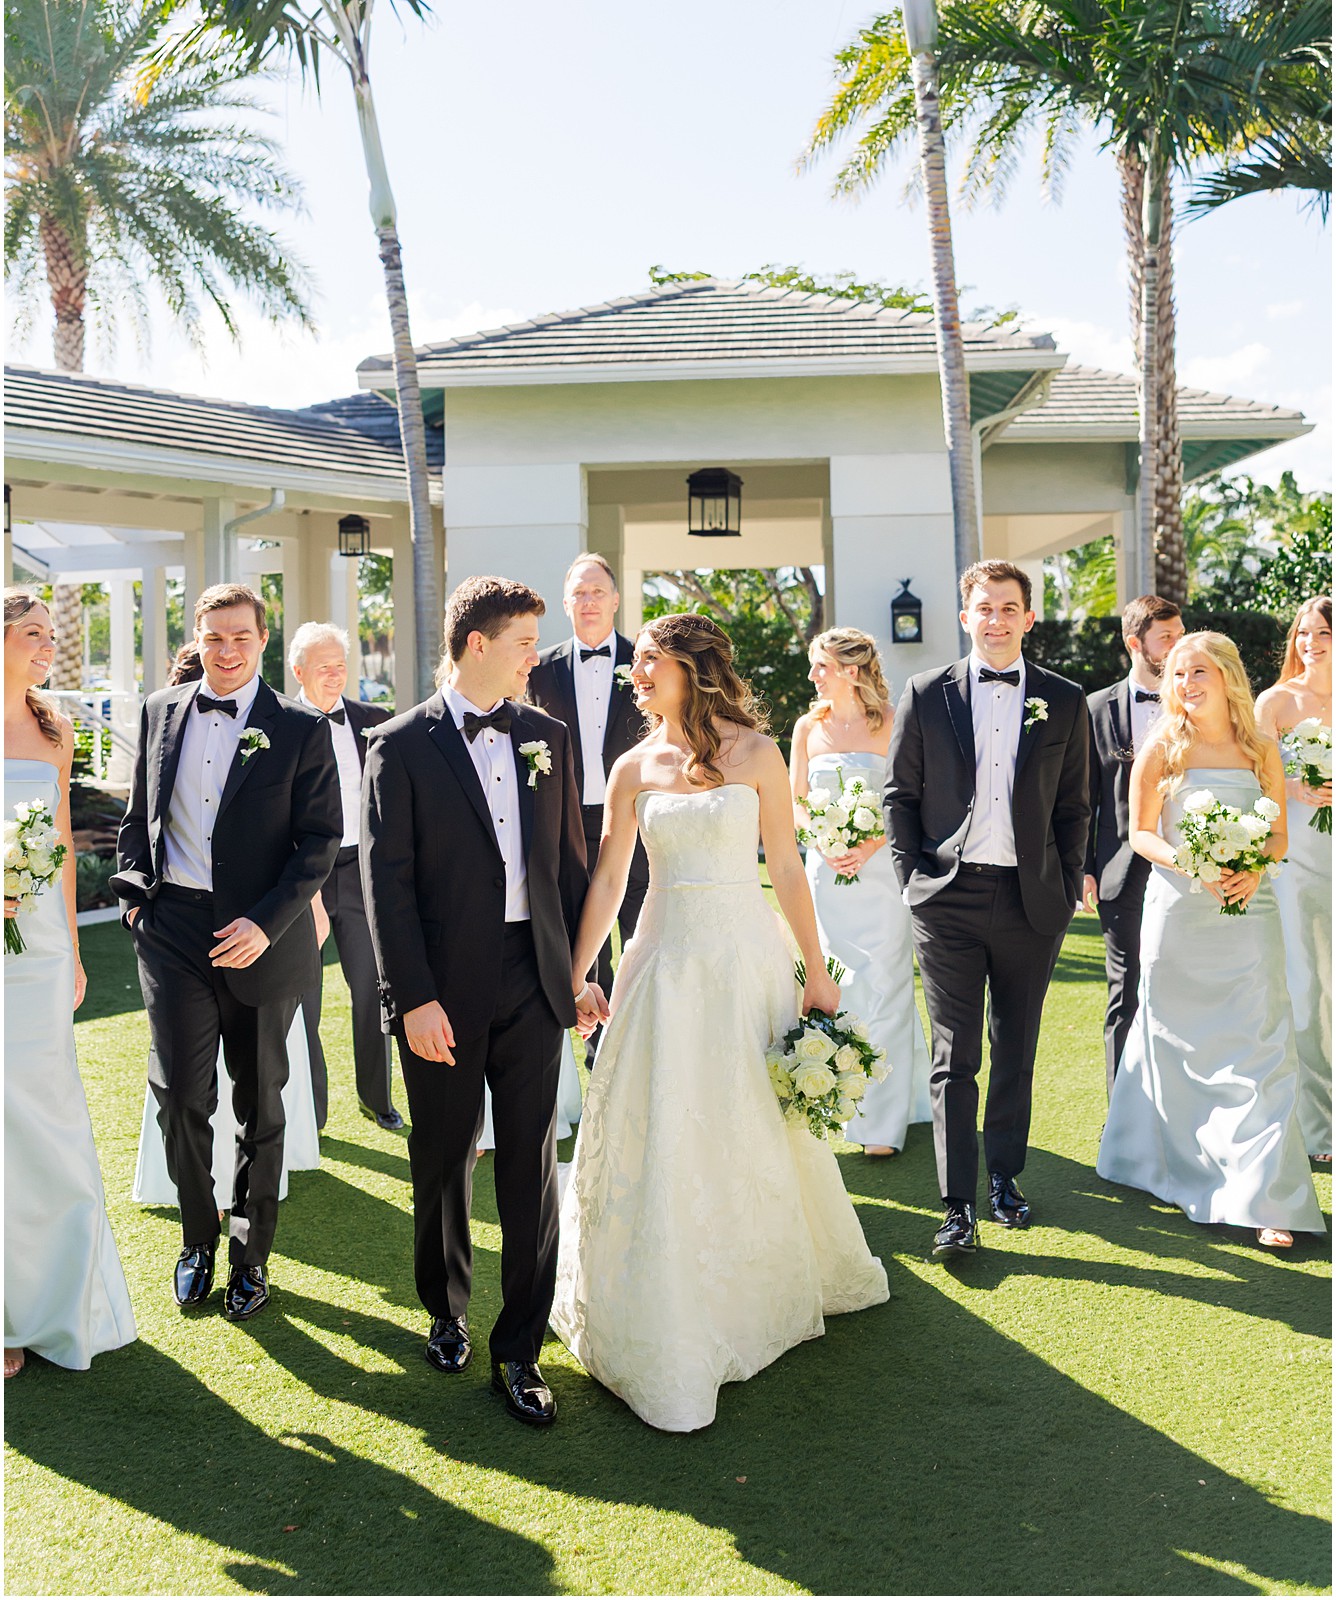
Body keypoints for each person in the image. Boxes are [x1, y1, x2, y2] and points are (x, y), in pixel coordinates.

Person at [551, 612, 889, 1434]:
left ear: (692, 668)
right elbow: (608, 879)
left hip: (745, 959)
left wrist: (814, 969)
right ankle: (662, 1301)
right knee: (662, 1122)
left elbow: (784, 865)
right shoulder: (634, 764)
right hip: (662, 962)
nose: (636, 675)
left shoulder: (759, 753)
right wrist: (575, 971)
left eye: (649, 662)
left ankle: (755, 1284)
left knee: (748, 1120)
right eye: (634, 663)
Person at [361, 576, 591, 1430]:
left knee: (532, 1165)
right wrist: (412, 1000)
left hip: (533, 980)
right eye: (527, 641)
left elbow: (567, 865)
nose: (539, 655)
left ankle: (519, 1350)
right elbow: (387, 886)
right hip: (443, 991)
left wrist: (581, 970)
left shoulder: (547, 737)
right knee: (444, 1157)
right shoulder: (399, 744)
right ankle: (446, 1307)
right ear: (478, 644)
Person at [114, 582, 342, 1319]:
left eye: (241, 637)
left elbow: (320, 842)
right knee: (181, 1096)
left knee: (261, 1102)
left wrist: (267, 923)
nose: (228, 650)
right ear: (198, 639)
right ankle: (196, 1238)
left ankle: (252, 1255)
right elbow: (137, 818)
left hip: (261, 938)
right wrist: (136, 908)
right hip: (173, 929)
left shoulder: (303, 729)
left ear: (263, 640)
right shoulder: (159, 711)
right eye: (214, 638)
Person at [885, 559, 1090, 1260]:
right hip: (947, 898)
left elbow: (1075, 807)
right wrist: (913, 878)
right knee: (954, 1054)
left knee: (1017, 1047)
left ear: (1028, 618)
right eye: (984, 608)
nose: (996, 620)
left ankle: (1005, 1176)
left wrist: (1063, 888)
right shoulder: (924, 693)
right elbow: (900, 797)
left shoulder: (1064, 700)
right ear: (965, 616)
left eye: (1009, 608)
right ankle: (958, 1204)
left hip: (1033, 899)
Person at [1098, 633, 1323, 1249]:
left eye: (1198, 671)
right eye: (1176, 673)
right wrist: (1191, 863)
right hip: (1178, 913)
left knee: (1263, 1047)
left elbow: (1278, 838)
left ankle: (1268, 1197)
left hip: (1253, 916)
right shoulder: (1162, 748)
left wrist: (1252, 869)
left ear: (1227, 677)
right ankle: (1169, 1164)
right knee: (1176, 1043)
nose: (1186, 683)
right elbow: (1141, 833)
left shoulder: (1260, 749)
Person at [4, 590, 136, 1380]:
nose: (48, 645)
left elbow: (53, 836)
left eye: (52, 635)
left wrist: (75, 954)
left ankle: (61, 1298)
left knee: (49, 1109)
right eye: (32, 633)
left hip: (42, 948)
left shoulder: (54, 727)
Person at [790, 626, 930, 1156]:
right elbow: (795, 801)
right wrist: (822, 840)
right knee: (835, 986)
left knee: (888, 985)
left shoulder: (893, 724)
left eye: (820, 666)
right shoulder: (809, 727)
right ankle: (835, 1105)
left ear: (851, 671)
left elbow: (910, 799)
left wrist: (871, 843)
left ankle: (883, 1126)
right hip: (825, 875)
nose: (812, 676)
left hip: (880, 874)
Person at [527, 553, 648, 1064]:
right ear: (565, 602)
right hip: (568, 819)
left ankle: (640, 1026)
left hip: (637, 814)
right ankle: (596, 1037)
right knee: (585, 925)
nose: (589, 601)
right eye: (579, 592)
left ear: (616, 600)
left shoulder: (644, 658)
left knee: (640, 921)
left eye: (598, 591)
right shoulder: (542, 667)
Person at [288, 621, 401, 1133]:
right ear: (298, 671)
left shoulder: (374, 721)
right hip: (298, 878)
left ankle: (377, 1098)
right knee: (300, 996)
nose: (334, 676)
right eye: (322, 668)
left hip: (360, 873)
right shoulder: (276, 725)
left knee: (373, 987)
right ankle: (309, 1113)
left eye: (340, 666)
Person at [1084, 596, 1185, 1095]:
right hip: (1120, 870)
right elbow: (1080, 798)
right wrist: (1083, 868)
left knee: (1183, 987)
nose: (1177, 645)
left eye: (1179, 634)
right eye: (1166, 637)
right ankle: (1122, 1114)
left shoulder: (1198, 702)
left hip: (1191, 867)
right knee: (1125, 992)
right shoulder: (1095, 709)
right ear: (1134, 643)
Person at [1257, 596, 1333, 1163]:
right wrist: (1294, 788)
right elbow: (1253, 770)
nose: (1311, 643)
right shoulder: (1275, 701)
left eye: (1323, 632)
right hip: (1297, 852)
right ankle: (1317, 1124)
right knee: (1306, 985)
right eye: (1303, 634)